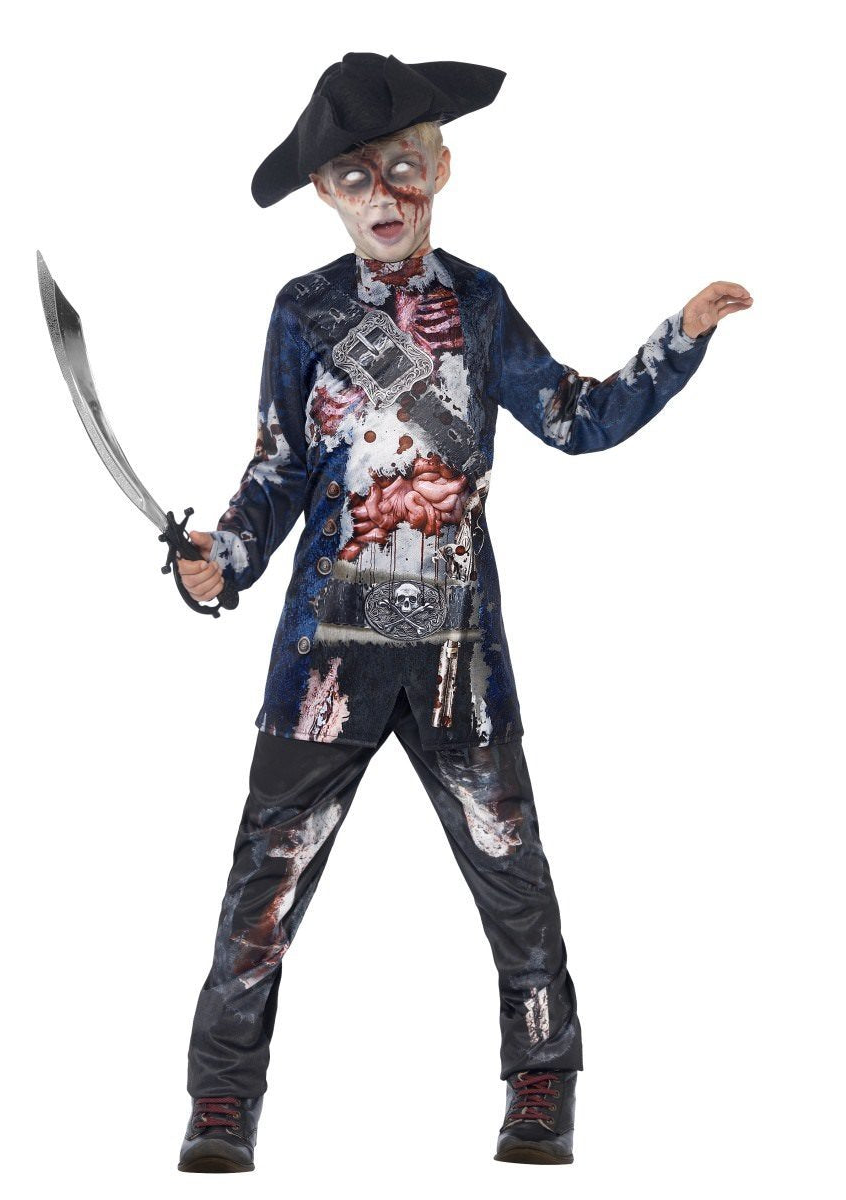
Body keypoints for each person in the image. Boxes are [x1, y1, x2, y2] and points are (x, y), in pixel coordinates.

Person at [175, 52, 752, 1173]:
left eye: (403, 168)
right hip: (325, 654)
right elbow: (279, 470)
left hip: (455, 652)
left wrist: (679, 337)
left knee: (512, 872)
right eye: (356, 177)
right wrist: (226, 556)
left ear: (440, 169)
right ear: (325, 192)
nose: (383, 197)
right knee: (264, 884)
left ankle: (543, 1080)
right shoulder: (302, 313)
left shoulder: (478, 306)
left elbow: (576, 418)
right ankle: (222, 1099)